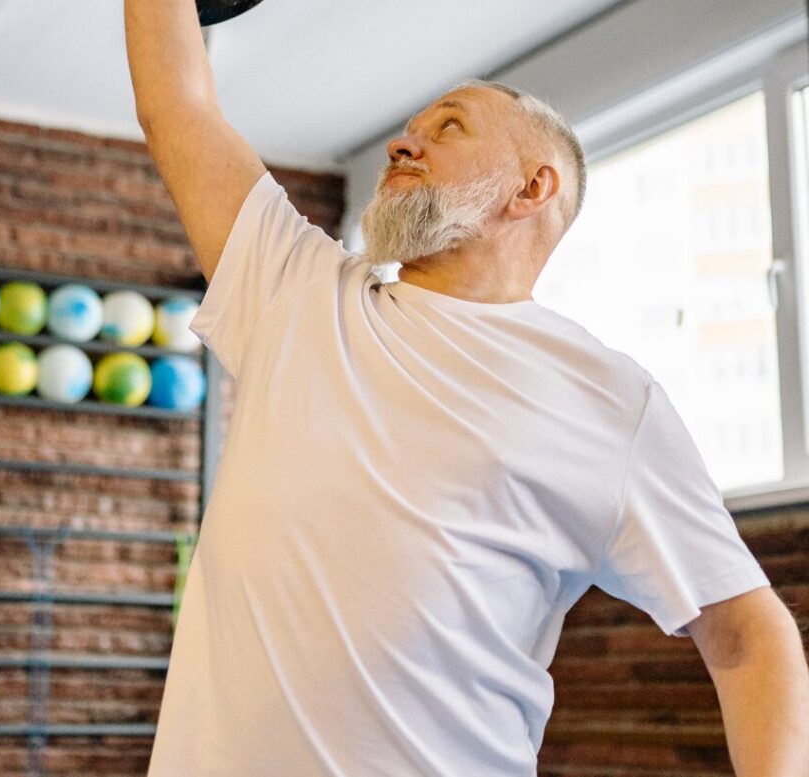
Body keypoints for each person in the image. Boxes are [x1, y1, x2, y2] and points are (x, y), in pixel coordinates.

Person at [124, 2, 809, 775]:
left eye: (449, 127)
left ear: (532, 187)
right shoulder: (297, 293)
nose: (402, 140)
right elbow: (176, 102)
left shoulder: (608, 399)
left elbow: (749, 635)